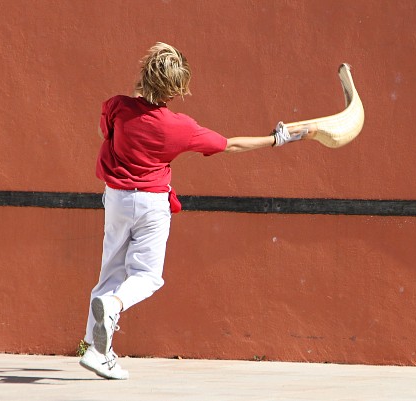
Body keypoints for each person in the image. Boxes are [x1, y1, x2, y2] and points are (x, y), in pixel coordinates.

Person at [79, 42, 315, 379]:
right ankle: (114, 308)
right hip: (151, 202)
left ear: (146, 73)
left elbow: (107, 132)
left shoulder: (117, 106)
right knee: (146, 276)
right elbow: (230, 144)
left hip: (116, 198)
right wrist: (277, 139)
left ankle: (95, 350)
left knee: (110, 272)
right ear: (176, 88)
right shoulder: (181, 127)